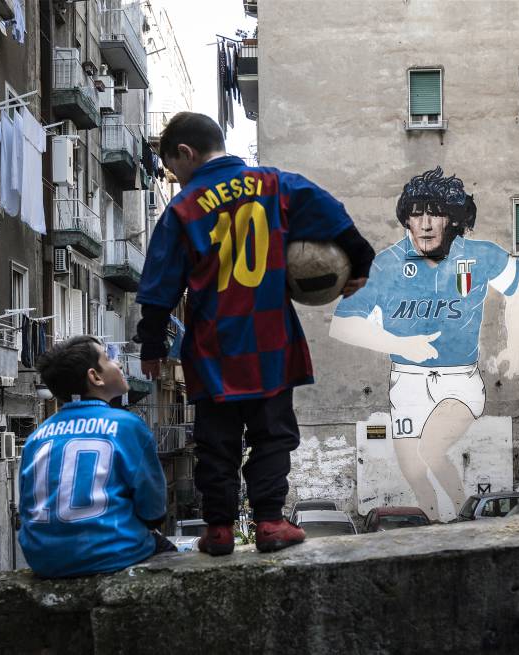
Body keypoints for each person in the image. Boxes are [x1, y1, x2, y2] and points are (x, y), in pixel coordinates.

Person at [135, 112, 374, 555]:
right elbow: (332, 215)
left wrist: (152, 345)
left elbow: (159, 284)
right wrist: (360, 263)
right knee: (272, 437)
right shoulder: (275, 184)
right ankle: (269, 522)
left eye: (174, 169)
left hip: (213, 348)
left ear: (187, 154)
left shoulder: (184, 208)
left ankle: (220, 530)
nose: (177, 179)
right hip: (271, 341)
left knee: (215, 445)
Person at [329, 167, 519, 521]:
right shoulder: (387, 264)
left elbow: (518, 287)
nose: (424, 223)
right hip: (406, 380)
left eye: (434, 213)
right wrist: (400, 344)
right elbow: (343, 323)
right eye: (416, 213)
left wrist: (517, 347)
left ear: (451, 219)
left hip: (460, 380)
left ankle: (462, 518)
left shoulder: (478, 255)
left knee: (431, 449)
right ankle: (433, 524)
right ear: (406, 219)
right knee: (413, 470)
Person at [18, 336, 173, 578]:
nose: (119, 364)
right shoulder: (126, 426)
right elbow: (153, 511)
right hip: (109, 553)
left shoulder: (36, 437)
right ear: (95, 377)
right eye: (109, 358)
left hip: (44, 560)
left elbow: (27, 506)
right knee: (169, 555)